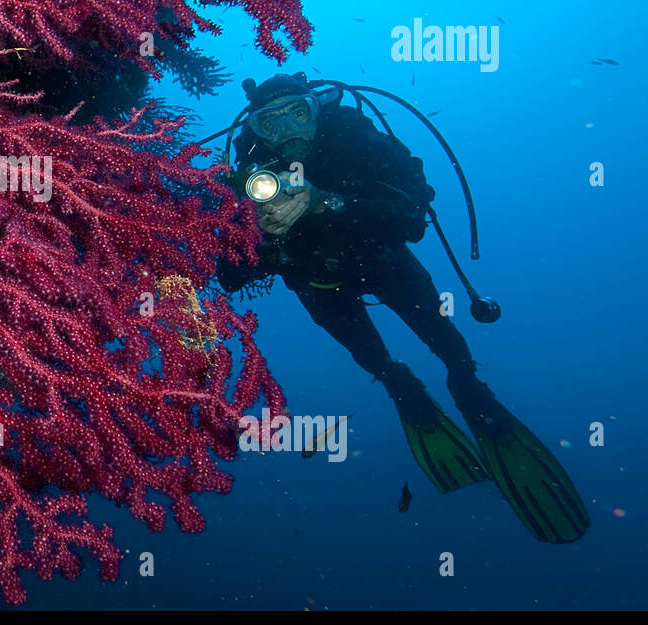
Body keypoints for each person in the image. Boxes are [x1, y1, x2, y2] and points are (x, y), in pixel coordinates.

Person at [218, 73, 589, 542]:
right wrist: (262, 237)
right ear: (257, 130)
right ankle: (403, 389)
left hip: (386, 263)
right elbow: (229, 276)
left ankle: (468, 385)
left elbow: (412, 218)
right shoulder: (248, 171)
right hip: (319, 284)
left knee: (447, 343)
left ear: (318, 108)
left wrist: (324, 203)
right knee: (375, 359)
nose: (289, 129)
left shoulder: (354, 137)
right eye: (270, 122)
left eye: (299, 112)